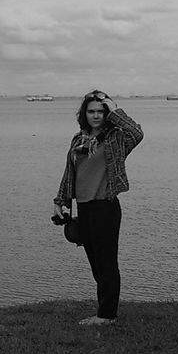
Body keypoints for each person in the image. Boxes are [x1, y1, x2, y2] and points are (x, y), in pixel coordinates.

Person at [52, 90, 144, 325]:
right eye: (91, 111)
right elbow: (70, 174)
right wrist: (60, 202)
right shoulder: (78, 140)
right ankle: (104, 310)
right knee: (96, 264)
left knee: (107, 263)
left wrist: (114, 110)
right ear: (84, 114)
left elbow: (136, 133)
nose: (96, 116)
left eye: (100, 112)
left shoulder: (116, 139)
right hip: (84, 208)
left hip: (105, 206)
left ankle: (106, 315)